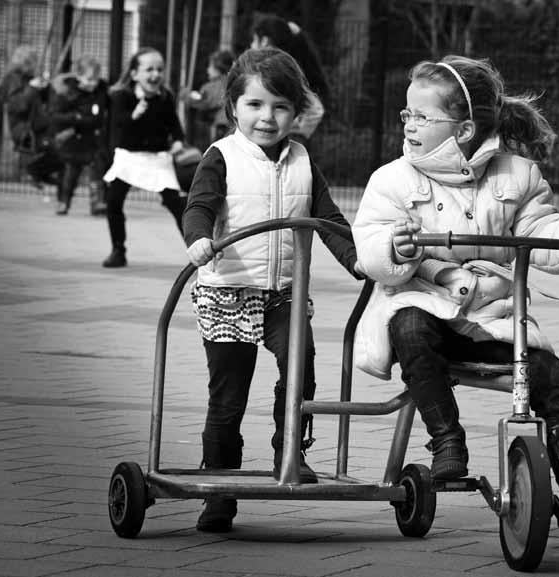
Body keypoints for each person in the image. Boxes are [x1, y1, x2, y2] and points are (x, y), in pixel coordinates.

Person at [352, 55, 559, 523]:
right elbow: (370, 247)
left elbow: (544, 231)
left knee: (551, 376)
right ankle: (446, 440)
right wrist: (396, 248)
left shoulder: (516, 175)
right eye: (407, 113)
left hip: (492, 320)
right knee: (407, 324)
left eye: (422, 116)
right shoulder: (392, 180)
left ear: (463, 131)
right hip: (426, 304)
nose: (408, 124)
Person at [182, 47, 361, 533]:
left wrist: (357, 260)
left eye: (281, 107)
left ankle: (289, 452)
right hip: (230, 292)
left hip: (285, 290)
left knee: (301, 371)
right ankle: (219, 486)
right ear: (233, 107)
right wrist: (200, 240)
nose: (268, 117)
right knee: (228, 397)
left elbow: (329, 219)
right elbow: (198, 207)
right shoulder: (220, 157)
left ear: (297, 113)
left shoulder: (303, 160)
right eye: (256, 105)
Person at [101, 47, 187, 268]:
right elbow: (118, 125)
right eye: (149, 69)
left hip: (157, 159)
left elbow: (175, 126)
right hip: (129, 157)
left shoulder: (166, 97)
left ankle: (197, 251)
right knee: (113, 201)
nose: (155, 74)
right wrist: (133, 115)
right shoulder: (121, 96)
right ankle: (118, 250)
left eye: (160, 69)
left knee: (175, 204)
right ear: (134, 74)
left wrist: (178, 141)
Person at [250, 14, 329, 147]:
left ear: (264, 41)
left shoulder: (280, 75)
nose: (251, 45)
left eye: (253, 40)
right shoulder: (287, 72)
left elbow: (315, 110)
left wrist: (292, 130)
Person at [48, 55, 110, 216]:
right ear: (78, 76)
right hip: (73, 139)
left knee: (97, 172)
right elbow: (56, 116)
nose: (93, 83)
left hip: (93, 139)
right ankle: (63, 202)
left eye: (96, 79)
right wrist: (77, 119)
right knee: (71, 173)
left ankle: (97, 203)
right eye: (89, 79)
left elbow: (100, 115)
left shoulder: (101, 89)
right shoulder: (68, 91)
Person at [0, 44, 63, 192]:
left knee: (63, 149)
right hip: (25, 129)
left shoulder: (29, 78)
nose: (36, 65)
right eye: (34, 61)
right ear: (26, 62)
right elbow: (18, 105)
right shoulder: (12, 79)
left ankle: (40, 174)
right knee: (59, 150)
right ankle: (36, 172)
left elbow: (41, 101)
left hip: (39, 124)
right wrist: (32, 88)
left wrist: (45, 87)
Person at [182, 49, 234, 145]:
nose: (207, 70)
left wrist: (186, 96)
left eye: (210, 66)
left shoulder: (213, 86)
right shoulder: (232, 83)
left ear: (218, 68)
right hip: (232, 124)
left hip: (221, 126)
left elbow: (203, 102)